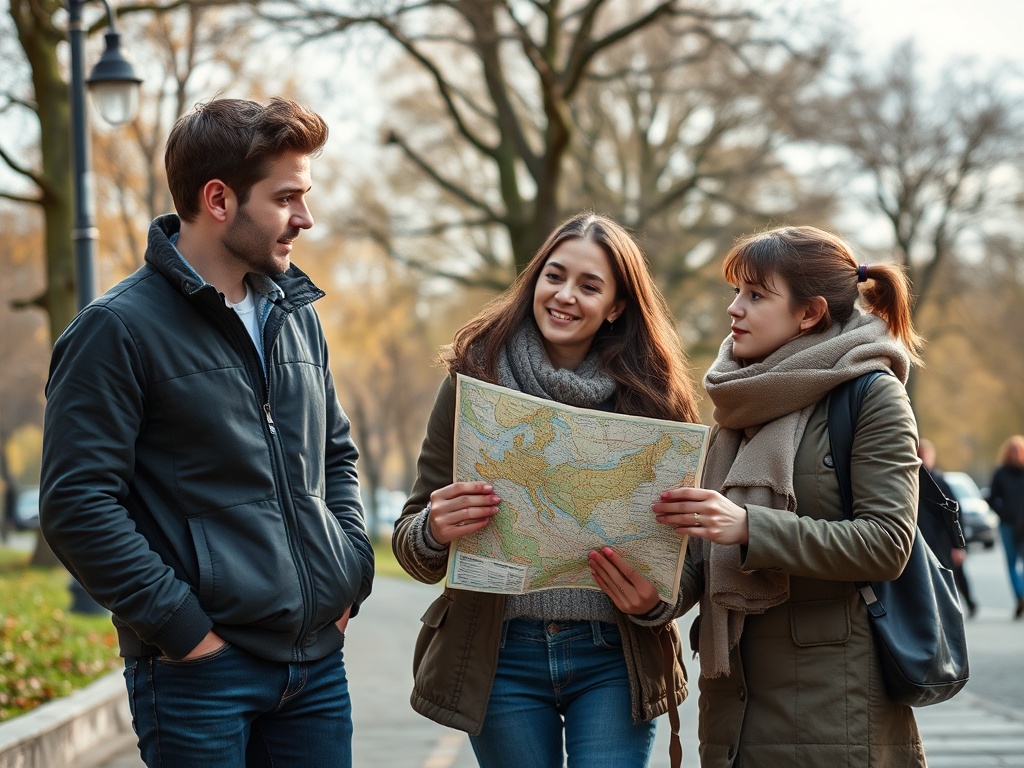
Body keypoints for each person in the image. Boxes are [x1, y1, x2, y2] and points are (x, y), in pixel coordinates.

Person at [39, 97, 374, 768]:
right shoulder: (117, 330)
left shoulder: (294, 314)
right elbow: (77, 505)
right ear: (219, 199)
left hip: (315, 669)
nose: (305, 219)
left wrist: (350, 577)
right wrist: (183, 632)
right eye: (287, 199)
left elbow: (334, 456)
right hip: (200, 677)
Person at [393, 213, 699, 767]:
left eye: (589, 286)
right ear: (534, 280)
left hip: (615, 658)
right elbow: (412, 542)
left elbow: (691, 555)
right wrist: (435, 529)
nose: (564, 295)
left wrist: (656, 605)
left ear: (617, 306)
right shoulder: (471, 384)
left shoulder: (658, 406)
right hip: (498, 656)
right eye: (554, 276)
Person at [655, 225, 927, 766]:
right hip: (731, 712)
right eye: (736, 292)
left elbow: (888, 543)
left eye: (756, 295)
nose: (735, 309)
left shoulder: (872, 394)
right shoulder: (738, 403)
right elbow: (709, 557)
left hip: (832, 712)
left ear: (809, 314)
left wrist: (751, 527)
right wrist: (654, 596)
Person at [917, 439, 974, 616]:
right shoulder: (910, 480)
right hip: (923, 538)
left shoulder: (940, 481)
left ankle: (968, 603)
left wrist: (958, 545)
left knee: (953, 573)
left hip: (942, 538)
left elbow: (955, 513)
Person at [988, 435, 1024, 620]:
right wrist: (1003, 513)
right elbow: (992, 498)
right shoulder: (1001, 473)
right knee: (1011, 563)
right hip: (1008, 524)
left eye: (1018, 449)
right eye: (1012, 449)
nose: (1015, 453)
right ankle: (1019, 596)